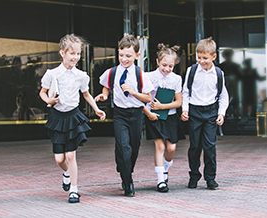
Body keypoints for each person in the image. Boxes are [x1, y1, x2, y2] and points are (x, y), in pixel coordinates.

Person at [39, 34, 106, 203]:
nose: (76, 57)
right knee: (59, 158)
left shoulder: (81, 76)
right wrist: (48, 100)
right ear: (62, 53)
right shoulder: (52, 74)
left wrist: (97, 109)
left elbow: (86, 94)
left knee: (71, 155)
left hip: (73, 116)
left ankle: (74, 191)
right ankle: (66, 173)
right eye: (72, 53)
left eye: (78, 54)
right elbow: (42, 92)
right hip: (57, 117)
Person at [95, 35, 153, 197]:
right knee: (124, 147)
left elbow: (148, 97)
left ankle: (125, 168)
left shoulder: (140, 74)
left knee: (133, 149)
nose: (124, 59)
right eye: (121, 55)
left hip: (136, 114)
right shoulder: (112, 72)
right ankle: (128, 183)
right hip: (120, 114)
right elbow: (106, 87)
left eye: (128, 56)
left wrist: (134, 92)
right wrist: (104, 95)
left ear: (137, 56)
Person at [181, 37, 229, 190]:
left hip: (210, 112)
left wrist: (221, 113)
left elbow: (223, 96)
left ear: (213, 57)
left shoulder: (218, 73)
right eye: (199, 57)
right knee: (195, 146)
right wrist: (185, 109)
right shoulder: (192, 70)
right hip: (194, 111)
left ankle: (210, 178)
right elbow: (185, 92)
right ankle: (194, 175)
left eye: (205, 58)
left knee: (210, 147)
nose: (201, 61)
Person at [143, 43, 185, 192]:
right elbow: (144, 98)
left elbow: (179, 102)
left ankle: (165, 167)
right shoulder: (148, 77)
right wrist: (150, 111)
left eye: (170, 66)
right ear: (158, 62)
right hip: (154, 116)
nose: (167, 69)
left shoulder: (176, 79)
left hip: (171, 116)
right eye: (164, 65)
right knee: (160, 146)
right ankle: (161, 180)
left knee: (171, 148)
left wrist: (162, 107)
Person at [218, 49, 243, 118]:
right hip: (224, 87)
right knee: (224, 100)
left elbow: (241, 76)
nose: (228, 57)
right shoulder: (221, 66)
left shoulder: (236, 66)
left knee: (235, 100)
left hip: (234, 87)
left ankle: (236, 113)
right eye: (227, 55)